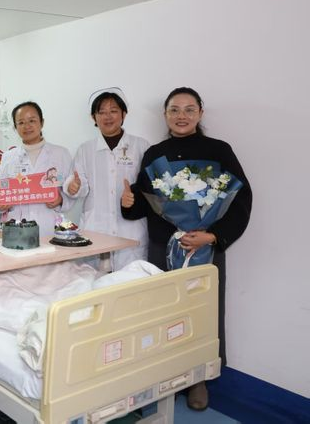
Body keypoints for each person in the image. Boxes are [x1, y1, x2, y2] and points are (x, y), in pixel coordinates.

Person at [121, 87, 252, 411]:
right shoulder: (155, 154)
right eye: (174, 110)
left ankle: (199, 378)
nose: (182, 116)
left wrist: (212, 236)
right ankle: (160, 373)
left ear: (200, 113)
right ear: (165, 114)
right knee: (161, 311)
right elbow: (144, 204)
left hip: (205, 248)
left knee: (202, 312)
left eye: (189, 109)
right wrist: (128, 202)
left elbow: (241, 200)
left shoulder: (219, 151)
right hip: (162, 247)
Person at [63, 89, 150, 270]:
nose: (107, 117)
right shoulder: (85, 149)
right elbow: (79, 183)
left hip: (131, 229)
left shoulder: (140, 146)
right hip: (96, 227)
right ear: (93, 117)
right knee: (96, 280)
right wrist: (74, 186)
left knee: (131, 279)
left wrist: (135, 198)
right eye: (101, 112)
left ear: (124, 114)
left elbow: (150, 188)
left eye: (113, 111)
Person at [0, 101, 74, 238]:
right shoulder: (8, 157)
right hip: (16, 228)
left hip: (50, 226)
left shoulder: (61, 154)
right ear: (15, 127)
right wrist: (1, 204)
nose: (27, 126)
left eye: (32, 120)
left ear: (42, 122)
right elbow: (0, 191)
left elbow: (71, 192)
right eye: (21, 122)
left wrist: (61, 200)